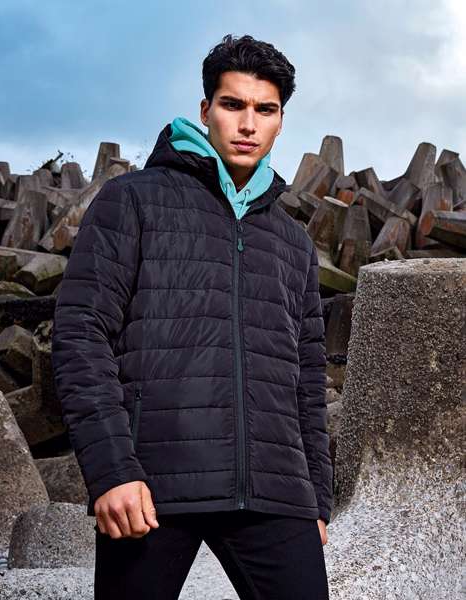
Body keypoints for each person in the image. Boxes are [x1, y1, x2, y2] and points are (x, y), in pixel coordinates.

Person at [51, 33, 333, 599]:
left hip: (276, 493)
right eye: (232, 105)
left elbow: (306, 378)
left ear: (281, 121)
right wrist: (111, 471)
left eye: (265, 110)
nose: (248, 124)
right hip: (151, 487)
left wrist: (317, 499)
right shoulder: (132, 201)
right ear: (205, 111)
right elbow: (81, 335)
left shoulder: (293, 242)